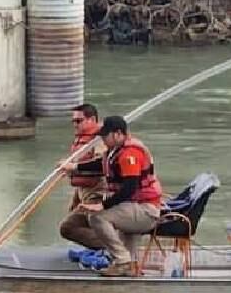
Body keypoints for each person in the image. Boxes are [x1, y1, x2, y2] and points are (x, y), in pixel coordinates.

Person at [61, 116, 163, 276]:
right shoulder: (115, 151)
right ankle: (128, 268)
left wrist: (102, 205)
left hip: (145, 210)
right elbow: (100, 165)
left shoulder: (130, 154)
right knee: (130, 263)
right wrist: (74, 167)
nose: (102, 139)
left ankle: (123, 261)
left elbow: (130, 187)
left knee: (97, 217)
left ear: (117, 134)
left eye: (105, 136)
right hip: (131, 207)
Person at [59, 103, 110, 250]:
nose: (75, 125)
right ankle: (107, 248)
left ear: (92, 119)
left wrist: (75, 169)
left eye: (78, 121)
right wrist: (75, 199)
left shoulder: (99, 141)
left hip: (99, 196)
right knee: (70, 224)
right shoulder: (83, 140)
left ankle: (111, 249)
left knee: (69, 227)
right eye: (73, 121)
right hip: (85, 194)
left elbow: (102, 166)